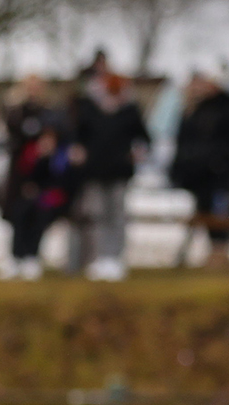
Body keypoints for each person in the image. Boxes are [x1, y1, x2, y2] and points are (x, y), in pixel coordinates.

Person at [68, 72, 149, 281]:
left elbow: (144, 138)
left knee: (117, 216)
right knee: (97, 216)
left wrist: (138, 151)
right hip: (95, 173)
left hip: (119, 172)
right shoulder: (89, 110)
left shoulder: (129, 111)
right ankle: (99, 258)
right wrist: (78, 150)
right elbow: (78, 136)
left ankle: (114, 258)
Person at [171, 71, 229, 270]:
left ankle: (220, 255)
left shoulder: (224, 107)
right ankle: (208, 255)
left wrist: (218, 93)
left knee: (220, 214)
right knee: (202, 214)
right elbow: (182, 144)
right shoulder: (191, 110)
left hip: (218, 173)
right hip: (196, 175)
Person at [7, 123, 74, 280]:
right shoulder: (32, 154)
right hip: (32, 198)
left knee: (40, 217)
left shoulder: (61, 157)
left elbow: (62, 182)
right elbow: (24, 176)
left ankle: (32, 257)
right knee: (20, 213)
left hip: (52, 200)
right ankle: (16, 256)